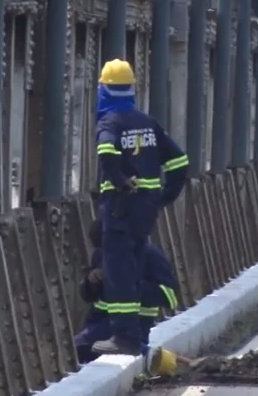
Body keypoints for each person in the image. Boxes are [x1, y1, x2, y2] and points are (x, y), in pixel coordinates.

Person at [92, 59, 188, 355]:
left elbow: (106, 150)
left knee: (118, 270)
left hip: (119, 209)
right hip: (145, 210)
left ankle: (125, 338)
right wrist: (166, 196)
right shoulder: (148, 123)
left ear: (104, 90)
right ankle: (137, 334)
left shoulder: (110, 122)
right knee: (135, 263)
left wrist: (120, 180)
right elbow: (179, 161)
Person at [75, 218, 180, 364]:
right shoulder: (100, 256)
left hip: (135, 324)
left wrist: (128, 283)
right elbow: (88, 297)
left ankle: (148, 354)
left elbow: (171, 297)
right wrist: (91, 282)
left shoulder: (150, 256)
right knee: (80, 350)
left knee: (86, 346)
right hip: (98, 323)